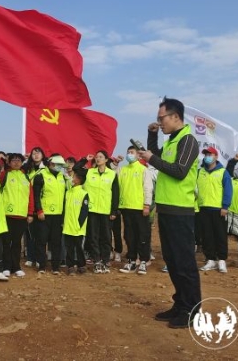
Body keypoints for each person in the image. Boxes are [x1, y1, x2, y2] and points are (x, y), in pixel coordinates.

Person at [137, 96, 201, 329]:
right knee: (172, 261)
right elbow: (158, 159)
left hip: (180, 211)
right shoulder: (173, 141)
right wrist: (152, 135)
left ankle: (192, 310)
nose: (160, 121)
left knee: (184, 263)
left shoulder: (188, 140)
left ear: (175, 116)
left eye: (161, 118)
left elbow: (179, 171)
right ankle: (180, 304)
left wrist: (152, 157)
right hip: (166, 209)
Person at [197, 147, 233, 274]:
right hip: (203, 208)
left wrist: (225, 206)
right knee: (206, 235)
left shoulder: (223, 172)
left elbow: (228, 190)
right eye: (206, 154)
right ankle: (210, 259)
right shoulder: (200, 171)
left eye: (210, 154)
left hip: (218, 209)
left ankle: (221, 260)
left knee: (220, 235)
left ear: (216, 157)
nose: (207, 156)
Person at [118, 145, 153, 275]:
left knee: (143, 235)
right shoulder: (123, 170)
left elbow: (148, 188)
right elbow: (117, 184)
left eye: (132, 152)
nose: (129, 154)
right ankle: (131, 260)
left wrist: (146, 205)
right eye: (128, 152)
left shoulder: (143, 170)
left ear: (138, 155)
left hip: (140, 208)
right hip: (126, 207)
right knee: (129, 235)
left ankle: (143, 261)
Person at [84, 150, 119, 274]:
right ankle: (97, 260)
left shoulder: (112, 174)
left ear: (106, 160)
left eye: (101, 157)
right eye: (96, 157)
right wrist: (85, 160)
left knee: (106, 237)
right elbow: (77, 169)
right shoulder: (89, 172)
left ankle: (105, 260)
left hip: (106, 211)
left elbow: (115, 194)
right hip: (92, 210)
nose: (98, 159)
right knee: (93, 237)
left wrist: (114, 211)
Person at [32, 154, 67, 274]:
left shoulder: (63, 177)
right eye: (58, 164)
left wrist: (63, 215)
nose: (60, 167)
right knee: (41, 241)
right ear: (51, 164)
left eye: (61, 165)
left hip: (58, 214)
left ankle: (55, 267)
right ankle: (41, 265)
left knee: (56, 242)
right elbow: (36, 195)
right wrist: (39, 210)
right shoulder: (40, 176)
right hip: (44, 215)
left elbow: (65, 197)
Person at [0, 153, 33, 278]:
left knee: (17, 243)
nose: (16, 162)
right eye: (13, 160)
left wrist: (30, 213)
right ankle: (6, 267)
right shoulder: (5, 175)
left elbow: (30, 196)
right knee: (6, 242)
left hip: (22, 216)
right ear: (9, 162)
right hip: (7, 214)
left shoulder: (26, 177)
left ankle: (16, 267)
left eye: (19, 160)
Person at [63, 166, 90, 275]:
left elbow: (84, 212)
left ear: (78, 180)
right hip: (67, 227)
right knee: (69, 247)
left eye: (73, 177)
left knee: (79, 247)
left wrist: (79, 224)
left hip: (78, 228)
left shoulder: (83, 194)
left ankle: (81, 265)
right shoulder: (68, 192)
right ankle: (70, 266)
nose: (72, 178)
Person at [23, 147, 46, 267]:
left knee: (40, 235)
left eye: (38, 153)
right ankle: (30, 257)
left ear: (42, 155)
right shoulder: (28, 170)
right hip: (29, 205)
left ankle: (39, 258)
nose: (36, 155)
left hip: (42, 205)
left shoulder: (46, 169)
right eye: (33, 153)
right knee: (30, 233)